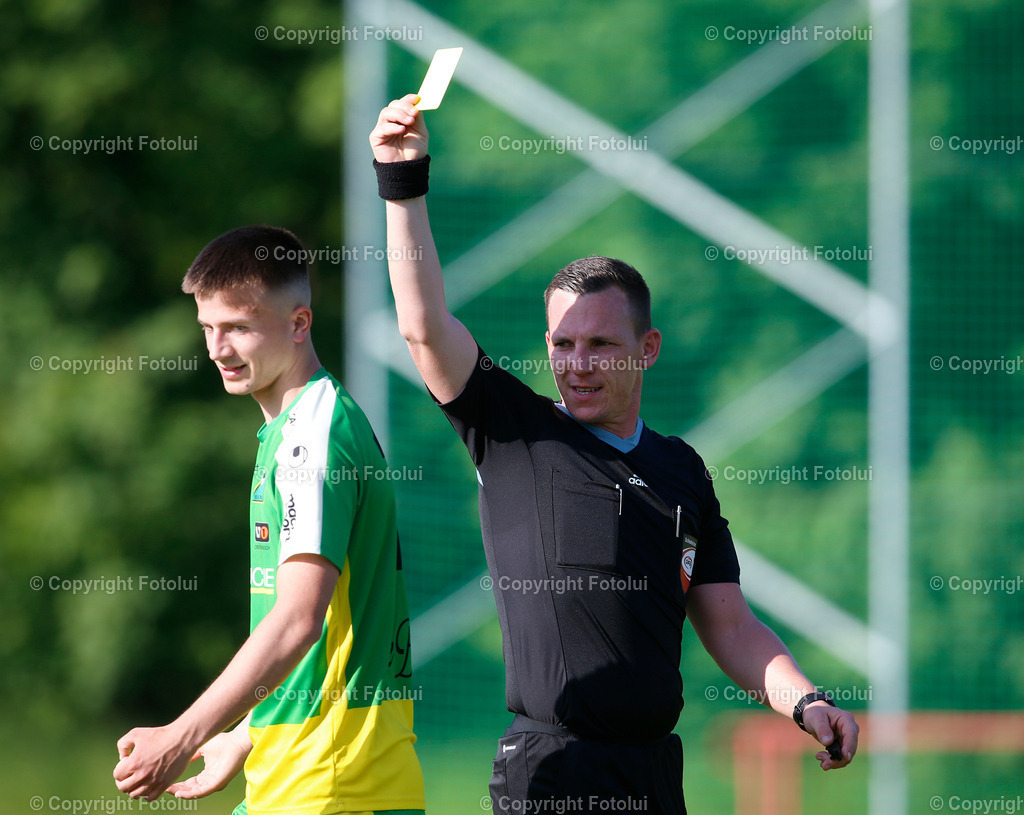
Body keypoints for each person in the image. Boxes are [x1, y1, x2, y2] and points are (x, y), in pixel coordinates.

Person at [369, 96, 859, 814]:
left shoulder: (681, 470)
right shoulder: (514, 434)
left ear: (647, 349)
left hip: (656, 773)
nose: (577, 363)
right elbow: (421, 325)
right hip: (552, 770)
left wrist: (806, 700)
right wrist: (401, 179)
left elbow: (729, 623)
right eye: (562, 344)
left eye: (600, 343)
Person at [113, 225, 425, 815]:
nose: (217, 348)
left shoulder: (313, 436)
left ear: (299, 323)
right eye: (208, 327)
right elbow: (328, 633)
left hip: (331, 784)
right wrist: (248, 733)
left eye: (238, 327)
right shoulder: (295, 429)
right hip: (309, 777)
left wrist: (183, 736)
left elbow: (299, 620)